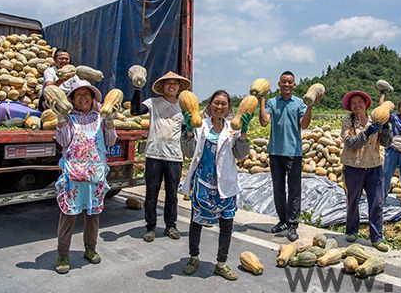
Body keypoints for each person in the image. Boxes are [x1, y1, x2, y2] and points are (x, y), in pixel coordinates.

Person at [179, 90, 252, 281]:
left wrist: (244, 132)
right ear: (209, 104)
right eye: (216, 103)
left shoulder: (233, 129)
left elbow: (241, 154)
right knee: (197, 223)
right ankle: (193, 258)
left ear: (229, 107)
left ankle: (221, 263)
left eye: (224, 104)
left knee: (226, 225)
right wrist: (187, 130)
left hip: (225, 185)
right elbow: (187, 152)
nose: (219, 107)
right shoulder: (199, 125)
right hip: (203, 183)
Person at [52, 79, 118, 274]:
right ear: (71, 99)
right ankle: (63, 255)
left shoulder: (100, 118)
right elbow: (63, 142)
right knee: (68, 215)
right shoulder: (68, 117)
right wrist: (60, 118)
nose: (83, 97)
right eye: (78, 94)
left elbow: (110, 141)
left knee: (93, 215)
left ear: (92, 99)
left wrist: (111, 121)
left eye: (87, 94)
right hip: (73, 174)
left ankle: (90, 249)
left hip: (95, 174)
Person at [130, 70, 191, 242]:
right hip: (154, 154)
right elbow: (135, 111)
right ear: (162, 86)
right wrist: (137, 88)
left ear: (179, 87)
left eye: (175, 83)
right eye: (168, 82)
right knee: (152, 192)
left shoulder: (184, 107)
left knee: (172, 194)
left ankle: (171, 226)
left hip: (174, 157)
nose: (172, 85)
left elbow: (188, 132)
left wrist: (191, 129)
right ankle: (150, 227)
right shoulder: (153, 102)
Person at [258, 71, 313, 242]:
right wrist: (261, 100)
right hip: (275, 152)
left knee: (294, 190)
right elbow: (264, 122)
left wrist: (310, 106)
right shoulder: (273, 102)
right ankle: (282, 221)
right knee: (278, 189)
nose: (287, 85)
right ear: (279, 84)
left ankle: (292, 224)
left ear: (294, 85)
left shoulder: (299, 103)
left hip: (294, 153)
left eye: (290, 82)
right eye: (284, 82)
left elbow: (304, 124)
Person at [340, 90, 392, 252]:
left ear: (366, 104)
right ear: (350, 106)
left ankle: (377, 237)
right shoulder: (348, 121)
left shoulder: (376, 119)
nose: (357, 106)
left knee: (377, 202)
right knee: (353, 200)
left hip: (374, 166)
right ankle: (352, 231)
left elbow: (386, 143)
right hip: (353, 167)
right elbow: (352, 143)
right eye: (354, 103)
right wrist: (368, 131)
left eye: (360, 102)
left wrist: (386, 129)